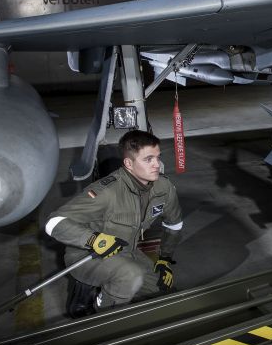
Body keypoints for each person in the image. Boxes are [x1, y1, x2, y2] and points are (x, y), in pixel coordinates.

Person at [44, 130, 185, 310]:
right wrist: (93, 239)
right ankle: (100, 312)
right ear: (129, 163)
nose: (157, 164)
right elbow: (54, 222)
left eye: (158, 157)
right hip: (87, 255)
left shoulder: (164, 188)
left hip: (126, 251)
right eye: (148, 159)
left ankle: (114, 292)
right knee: (129, 276)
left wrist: (165, 258)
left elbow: (174, 225)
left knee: (162, 288)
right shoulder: (107, 191)